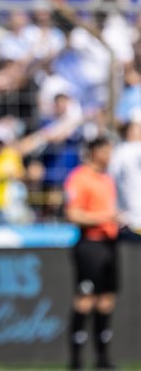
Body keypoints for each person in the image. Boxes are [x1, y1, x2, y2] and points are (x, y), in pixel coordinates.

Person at [63, 137, 120, 370]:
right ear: (95, 152)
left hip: (110, 244)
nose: (110, 156)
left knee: (106, 300)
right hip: (90, 245)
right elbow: (73, 214)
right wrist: (105, 217)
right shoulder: (79, 178)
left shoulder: (108, 179)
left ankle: (102, 359)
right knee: (85, 300)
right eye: (106, 151)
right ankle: (76, 361)